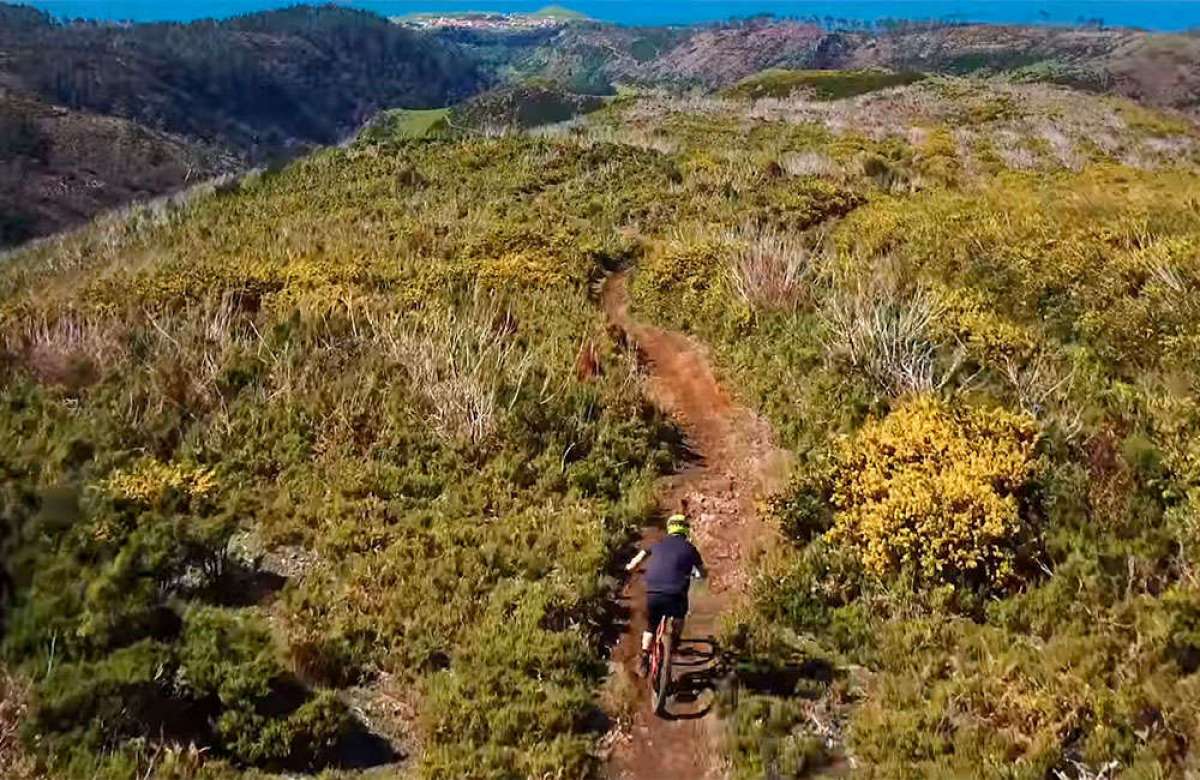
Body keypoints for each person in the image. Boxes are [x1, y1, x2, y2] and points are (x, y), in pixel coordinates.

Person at [625, 500, 707, 677]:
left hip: (654, 592)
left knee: (651, 625)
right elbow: (702, 572)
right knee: (679, 616)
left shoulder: (658, 543)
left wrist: (631, 566)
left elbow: (640, 556)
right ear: (685, 530)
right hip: (676, 594)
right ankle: (674, 642)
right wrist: (698, 576)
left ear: (670, 528)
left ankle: (645, 656)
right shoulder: (690, 549)